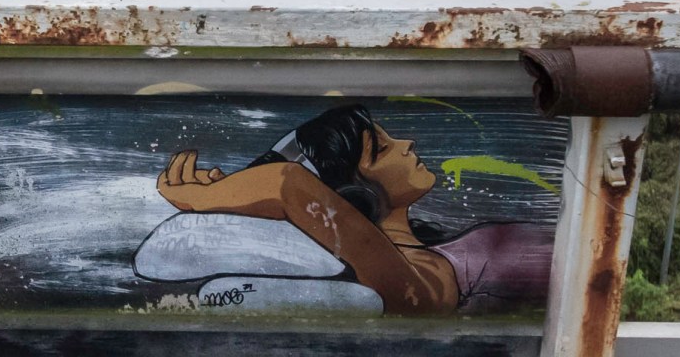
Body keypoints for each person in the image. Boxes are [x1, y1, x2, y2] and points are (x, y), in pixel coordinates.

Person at [155, 104, 552, 315]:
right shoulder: (419, 274)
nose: (408, 142)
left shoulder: (429, 248)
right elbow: (286, 182)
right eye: (380, 148)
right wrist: (208, 198)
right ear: (350, 192)